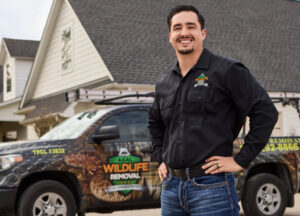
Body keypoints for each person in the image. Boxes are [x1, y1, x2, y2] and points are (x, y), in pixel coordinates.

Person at [148, 5, 278, 216]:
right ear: (170, 36)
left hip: (212, 189)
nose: (184, 33)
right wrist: (160, 158)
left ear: (203, 33)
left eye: (191, 26)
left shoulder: (227, 71)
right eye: (178, 27)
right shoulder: (165, 82)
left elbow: (265, 112)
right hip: (171, 189)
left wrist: (239, 160)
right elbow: (154, 122)